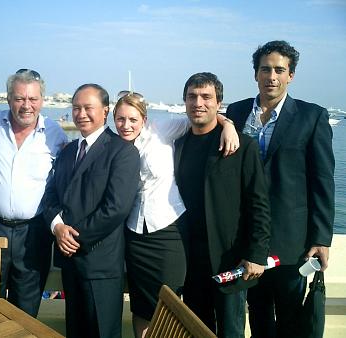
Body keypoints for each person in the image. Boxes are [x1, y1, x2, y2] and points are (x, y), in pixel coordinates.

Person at [226, 40, 335, 337]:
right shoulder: (235, 113)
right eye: (265, 69)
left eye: (279, 70)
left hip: (291, 242)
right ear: (255, 74)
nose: (271, 76)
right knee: (258, 315)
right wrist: (224, 122)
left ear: (291, 75)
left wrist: (322, 238)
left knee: (290, 317)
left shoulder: (311, 116)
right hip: (246, 240)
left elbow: (323, 181)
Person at [112, 90, 239, 338]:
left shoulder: (162, 130)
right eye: (120, 119)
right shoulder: (113, 146)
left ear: (144, 119)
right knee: (142, 304)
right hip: (134, 234)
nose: (126, 125)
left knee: (171, 301)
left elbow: (202, 118)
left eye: (133, 119)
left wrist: (229, 125)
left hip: (169, 230)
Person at [174, 72, 271, 337]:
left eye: (206, 97)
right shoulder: (179, 144)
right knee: (196, 329)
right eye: (192, 96)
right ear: (184, 101)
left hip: (230, 258)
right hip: (191, 261)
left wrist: (256, 254)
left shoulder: (241, 146)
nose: (199, 103)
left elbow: (259, 203)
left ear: (218, 103)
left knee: (231, 331)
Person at [43, 84, 140, 338]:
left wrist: (73, 237)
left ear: (105, 111)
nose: (81, 113)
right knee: (75, 330)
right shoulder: (68, 152)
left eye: (88, 108)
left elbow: (116, 208)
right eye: (76, 108)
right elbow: (51, 195)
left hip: (100, 263)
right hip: (69, 262)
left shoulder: (122, 151)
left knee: (102, 331)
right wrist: (57, 227)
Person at [0, 69, 68, 317]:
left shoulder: (55, 133)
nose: (26, 105)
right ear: (8, 99)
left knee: (25, 310)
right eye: (19, 98)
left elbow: (71, 174)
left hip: (33, 233)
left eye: (32, 99)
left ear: (42, 101)